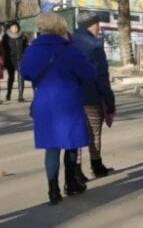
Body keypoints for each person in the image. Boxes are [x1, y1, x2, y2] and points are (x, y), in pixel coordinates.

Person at [21, 12, 95, 205]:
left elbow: (26, 73)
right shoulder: (70, 50)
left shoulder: (32, 50)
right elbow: (89, 74)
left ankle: (52, 190)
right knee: (71, 144)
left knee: (52, 147)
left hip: (44, 103)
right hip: (68, 102)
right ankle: (71, 184)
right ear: (60, 28)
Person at [72, 12, 117, 178]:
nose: (99, 27)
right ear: (90, 25)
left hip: (72, 97)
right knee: (94, 133)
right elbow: (101, 76)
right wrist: (109, 100)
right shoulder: (95, 45)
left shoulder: (68, 42)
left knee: (76, 133)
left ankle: (76, 172)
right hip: (91, 97)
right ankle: (97, 166)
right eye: (97, 24)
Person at [1, 22, 28, 102]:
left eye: (16, 27)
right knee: (11, 77)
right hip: (10, 59)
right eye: (12, 28)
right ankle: (8, 94)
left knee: (21, 77)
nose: (14, 29)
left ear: (18, 28)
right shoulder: (6, 36)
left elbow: (25, 46)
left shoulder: (22, 36)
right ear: (10, 28)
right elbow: (3, 48)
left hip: (20, 59)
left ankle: (20, 96)